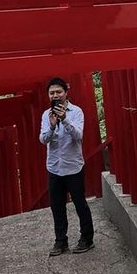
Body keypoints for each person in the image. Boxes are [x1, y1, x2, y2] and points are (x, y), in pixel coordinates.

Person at [39, 76, 94, 256]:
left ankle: (87, 239)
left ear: (66, 93)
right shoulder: (46, 115)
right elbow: (43, 139)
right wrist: (52, 126)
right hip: (54, 167)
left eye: (58, 92)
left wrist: (65, 120)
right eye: (52, 93)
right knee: (57, 207)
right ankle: (60, 241)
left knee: (80, 204)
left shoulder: (76, 112)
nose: (55, 95)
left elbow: (78, 136)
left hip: (73, 166)